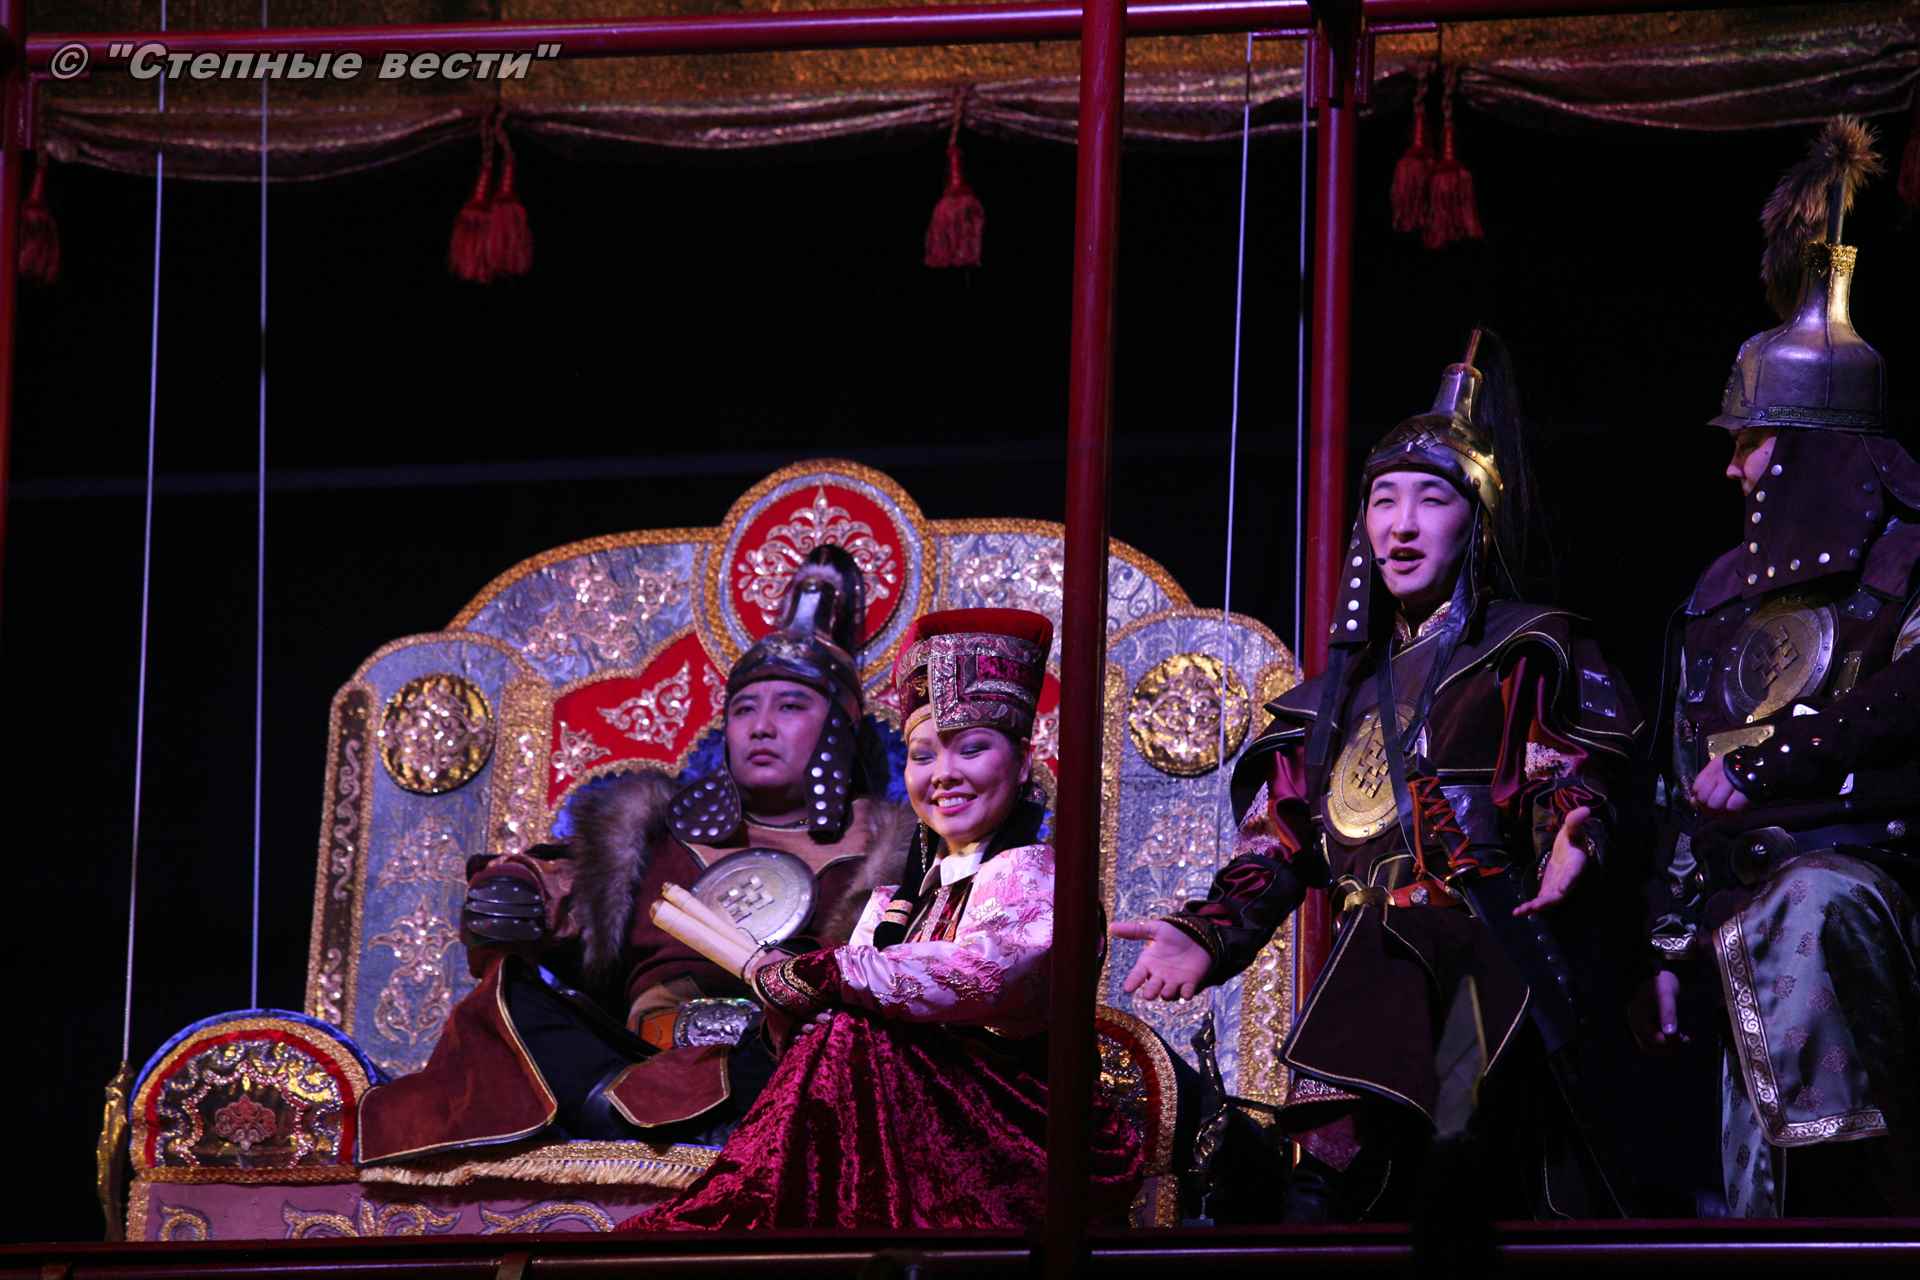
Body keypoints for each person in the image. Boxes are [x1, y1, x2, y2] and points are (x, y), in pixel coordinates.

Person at [1113, 331, 1640, 1221]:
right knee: (1392, 1183)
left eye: (1431, 500)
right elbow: (1278, 839)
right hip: (1381, 990)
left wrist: (1574, 824)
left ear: (1474, 520)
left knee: (1454, 1174)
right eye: (1384, 500)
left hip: (1492, 967)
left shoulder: (1524, 650)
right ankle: (1326, 1187)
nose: (1401, 524)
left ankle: (1327, 1183)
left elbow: (1565, 767)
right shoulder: (1330, 703)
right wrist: (1209, 931)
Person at [357, 547, 916, 1163]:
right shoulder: (654, 835)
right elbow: (558, 879)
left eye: (790, 706)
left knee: (850, 1050)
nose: (760, 727)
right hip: (643, 1058)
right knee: (511, 997)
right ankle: (611, 1109)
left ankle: (711, 1117)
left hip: (788, 1061)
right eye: (743, 709)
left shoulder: (895, 852)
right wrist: (515, 889)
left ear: (837, 728)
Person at [621, 608, 1142, 1230]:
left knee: (852, 1039)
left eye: (972, 748)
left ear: (1024, 761)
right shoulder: (899, 899)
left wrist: (819, 974)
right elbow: (856, 995)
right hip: (927, 1119)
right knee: (835, 1035)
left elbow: (982, 973)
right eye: (923, 755)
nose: (944, 774)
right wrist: (799, 1006)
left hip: (1017, 1129)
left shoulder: (1035, 873)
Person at [1635, 117, 1920, 1217]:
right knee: (1755, 1172)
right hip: (1744, 923)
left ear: (1803, 446)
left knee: (1810, 904)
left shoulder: (1908, 556)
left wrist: (1777, 759)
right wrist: (1668, 946)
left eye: (1747, 441)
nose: (1731, 467)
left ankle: (1843, 1214)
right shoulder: (1719, 597)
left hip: (1877, 899)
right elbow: (1679, 783)